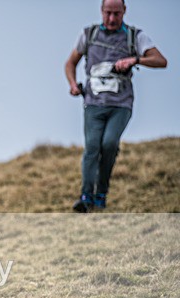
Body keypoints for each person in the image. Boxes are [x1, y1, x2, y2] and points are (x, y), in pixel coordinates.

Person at [65, 0, 167, 213]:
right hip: (93, 103)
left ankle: (101, 193)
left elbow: (160, 60)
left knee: (109, 144)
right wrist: (73, 84)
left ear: (124, 12)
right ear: (101, 11)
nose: (112, 19)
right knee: (92, 146)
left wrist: (135, 59)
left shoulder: (135, 36)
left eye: (116, 14)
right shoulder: (89, 34)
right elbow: (70, 63)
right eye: (108, 13)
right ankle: (86, 197)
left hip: (120, 104)